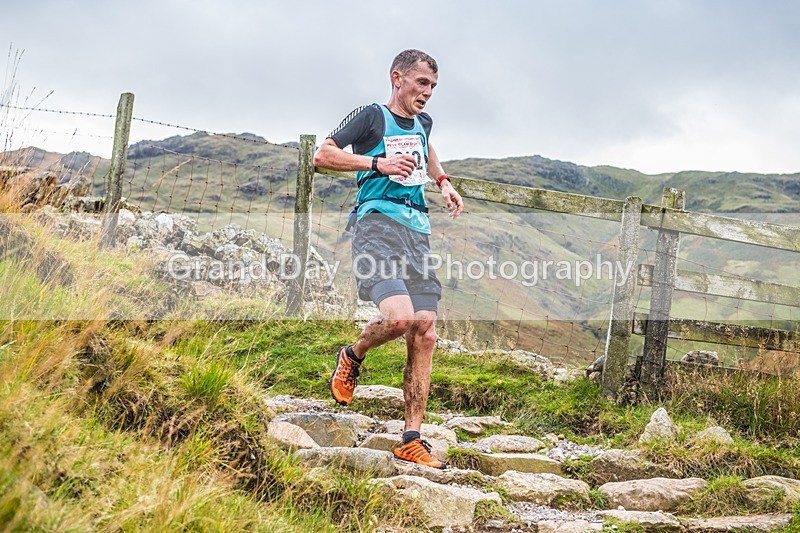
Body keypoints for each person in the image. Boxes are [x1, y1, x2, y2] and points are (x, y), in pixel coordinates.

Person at [313, 49, 464, 469]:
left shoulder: (424, 120)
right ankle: (354, 354)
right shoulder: (371, 116)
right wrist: (376, 163)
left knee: (425, 333)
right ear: (397, 78)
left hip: (418, 233)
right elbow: (323, 156)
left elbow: (425, 145)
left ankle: (411, 439)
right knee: (398, 319)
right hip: (376, 225)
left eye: (433, 86)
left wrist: (443, 182)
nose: (427, 93)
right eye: (421, 83)